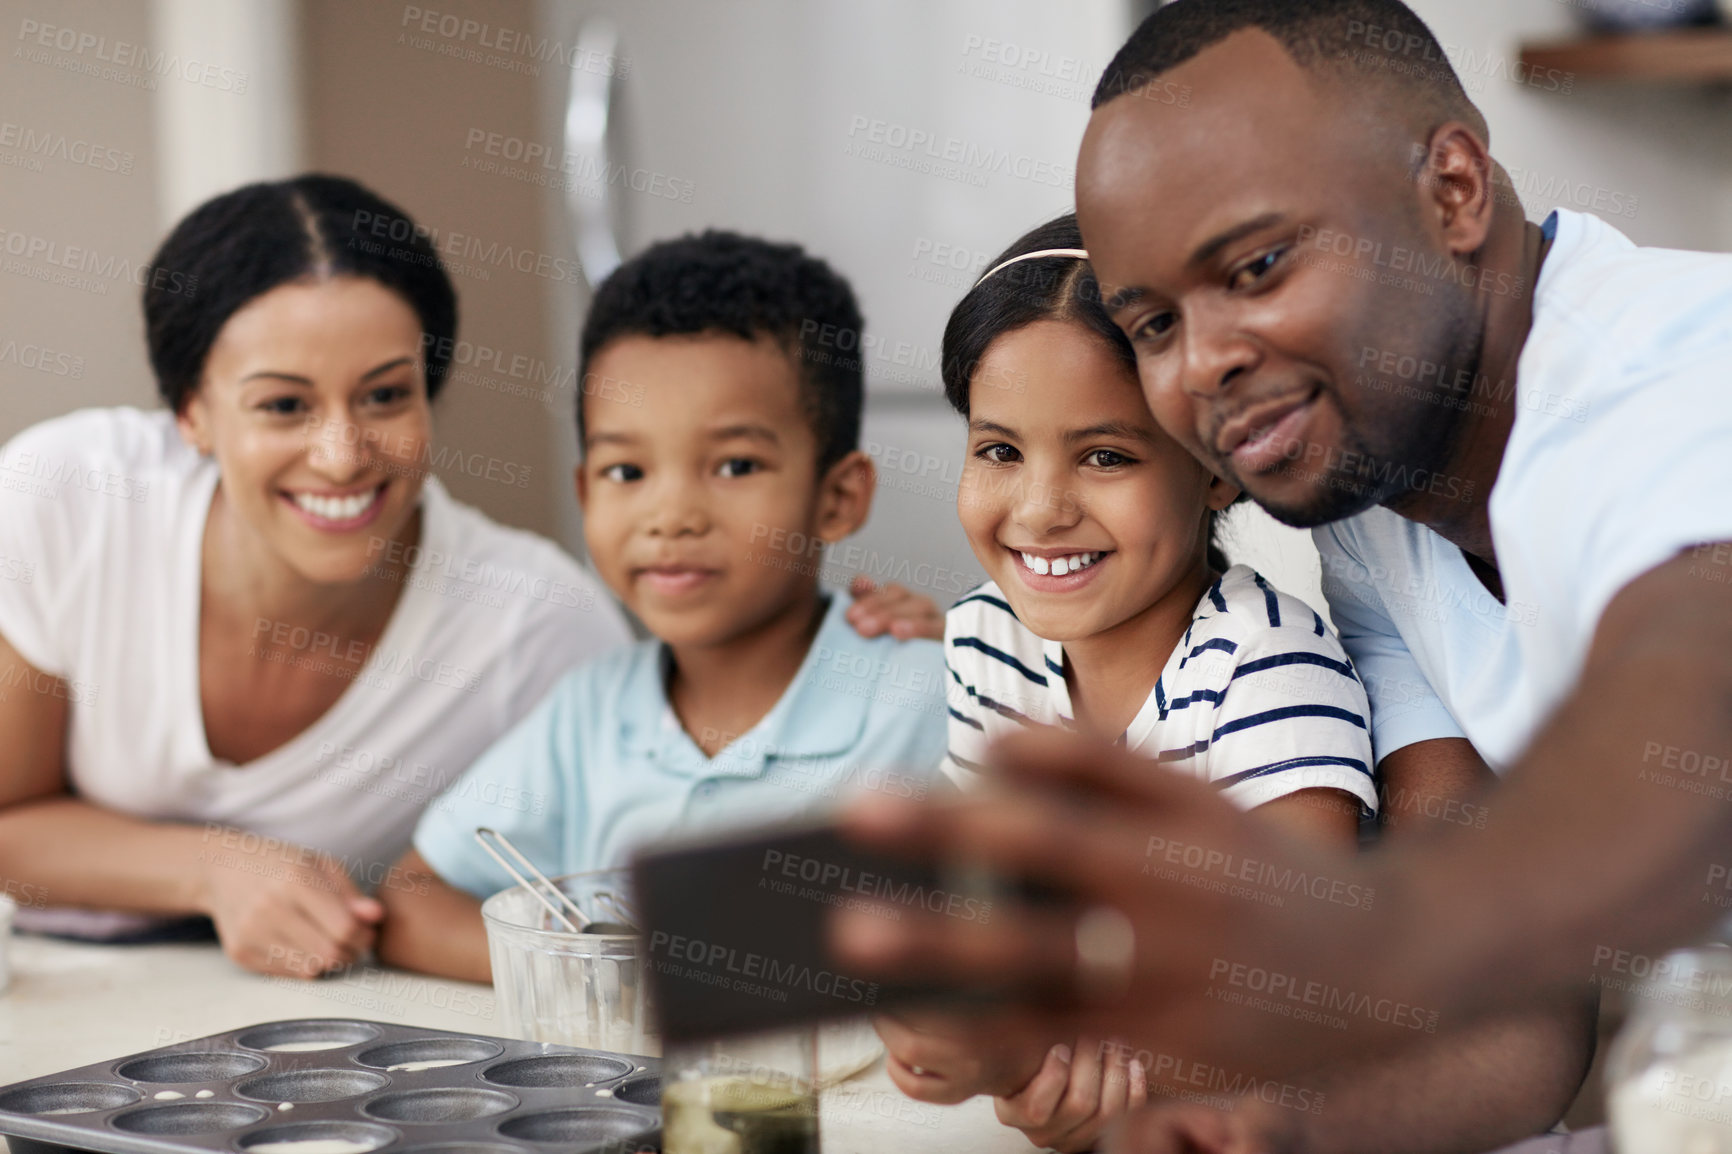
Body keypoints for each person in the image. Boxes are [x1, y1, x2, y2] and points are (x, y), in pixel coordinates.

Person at [829, 0, 1731, 1148]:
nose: (1203, 364)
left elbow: (1690, 713)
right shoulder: (1374, 502)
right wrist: (1270, 1121)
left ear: (1451, 190)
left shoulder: (1675, 372)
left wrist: (1350, 936)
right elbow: (1514, 998)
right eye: (1154, 323)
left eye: (1255, 264)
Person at [0, 177, 931, 982]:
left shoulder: (538, 625)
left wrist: (964, 652)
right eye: (283, 404)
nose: (340, 453)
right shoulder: (72, 496)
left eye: (386, 395)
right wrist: (210, 868)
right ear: (192, 413)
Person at [870, 215, 1379, 1153]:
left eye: (1106, 456)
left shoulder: (1269, 673)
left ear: (1219, 468)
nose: (1040, 510)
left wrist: (1029, 1062)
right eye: (999, 451)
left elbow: (1293, 1003)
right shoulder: (987, 637)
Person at [376, 231, 950, 982]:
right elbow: (411, 901)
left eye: (735, 465)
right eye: (627, 470)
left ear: (838, 497)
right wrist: (609, 973)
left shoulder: (927, 700)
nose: (671, 515)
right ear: (585, 495)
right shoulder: (588, 713)